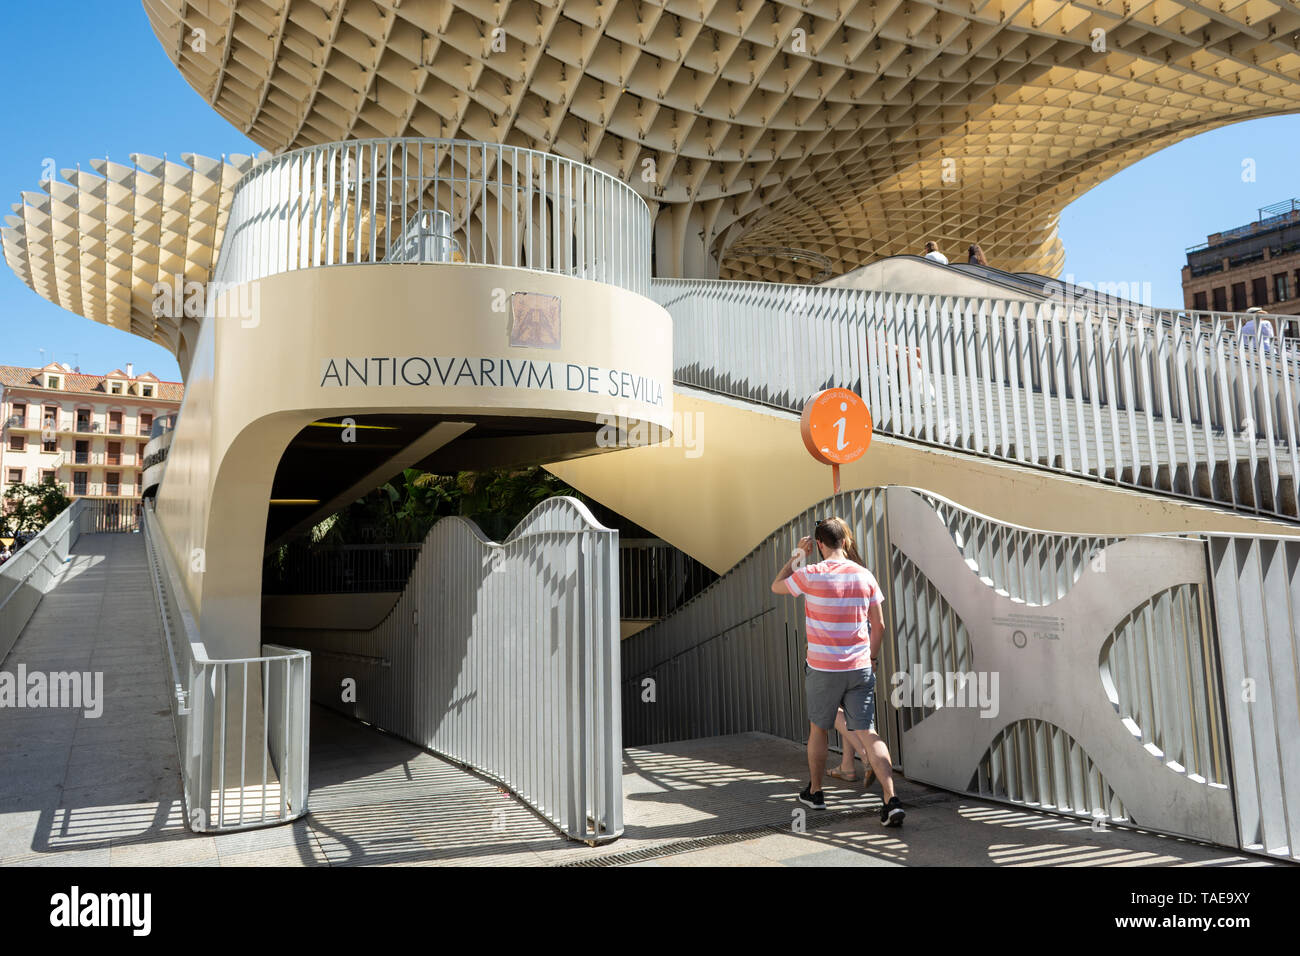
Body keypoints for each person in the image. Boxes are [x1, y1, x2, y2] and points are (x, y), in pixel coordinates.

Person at [771, 517, 905, 826]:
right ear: (844, 542)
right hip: (859, 666)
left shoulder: (810, 574)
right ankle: (890, 798)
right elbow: (880, 625)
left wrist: (795, 557)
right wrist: (871, 658)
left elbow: (776, 586)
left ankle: (816, 793)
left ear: (818, 545)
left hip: (823, 667)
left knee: (818, 729)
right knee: (868, 731)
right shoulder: (865, 575)